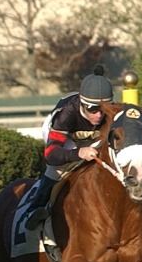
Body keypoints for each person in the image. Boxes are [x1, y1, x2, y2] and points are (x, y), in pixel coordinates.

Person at [20, 72, 115, 230]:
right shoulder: (66, 115)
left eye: (104, 110)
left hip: (92, 141)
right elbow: (51, 154)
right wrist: (78, 153)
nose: (99, 115)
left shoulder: (110, 114)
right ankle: (34, 209)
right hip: (65, 140)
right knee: (56, 169)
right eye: (93, 109)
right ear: (82, 105)